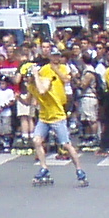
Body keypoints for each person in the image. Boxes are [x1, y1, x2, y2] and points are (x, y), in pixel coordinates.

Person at [26, 52, 87, 185]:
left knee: (65, 144)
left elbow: (42, 91)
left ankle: (79, 170)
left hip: (57, 115)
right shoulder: (31, 85)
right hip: (44, 117)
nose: (28, 80)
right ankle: (44, 168)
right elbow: (27, 100)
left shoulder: (46, 80)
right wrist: (18, 97)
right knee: (37, 141)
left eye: (29, 77)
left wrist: (37, 74)